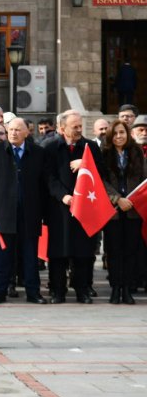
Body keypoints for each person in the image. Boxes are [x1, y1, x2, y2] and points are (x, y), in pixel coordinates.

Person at [0, 118, 49, 304]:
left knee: (30, 256)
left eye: (18, 130)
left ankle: (33, 292)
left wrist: (43, 211)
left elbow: (43, 184)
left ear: (27, 132)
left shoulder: (37, 153)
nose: (13, 133)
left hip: (30, 213)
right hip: (4, 213)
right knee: (3, 256)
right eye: (10, 129)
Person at [45, 110, 105, 304]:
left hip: (85, 206)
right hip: (60, 208)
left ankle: (82, 290)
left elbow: (101, 173)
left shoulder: (90, 147)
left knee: (83, 251)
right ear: (62, 128)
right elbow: (48, 177)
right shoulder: (51, 147)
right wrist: (62, 195)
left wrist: (86, 163)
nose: (79, 130)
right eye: (75, 127)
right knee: (58, 251)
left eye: (80, 126)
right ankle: (58, 290)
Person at [101, 120, 144, 304]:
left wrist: (132, 200)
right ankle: (115, 288)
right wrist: (117, 198)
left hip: (133, 210)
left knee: (130, 251)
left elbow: (143, 179)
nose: (119, 136)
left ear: (128, 134)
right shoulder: (104, 154)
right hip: (113, 211)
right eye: (116, 133)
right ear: (111, 136)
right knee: (114, 251)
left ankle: (127, 289)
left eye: (122, 133)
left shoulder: (137, 153)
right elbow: (101, 181)